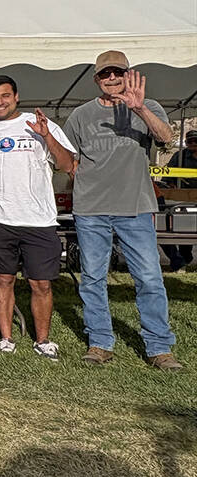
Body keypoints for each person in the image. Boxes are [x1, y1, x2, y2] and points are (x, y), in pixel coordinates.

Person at [62, 51, 181, 370]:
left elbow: (167, 141)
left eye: (118, 72)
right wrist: (81, 177)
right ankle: (100, 343)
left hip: (136, 207)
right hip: (91, 210)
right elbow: (68, 158)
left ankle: (159, 347)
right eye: (105, 74)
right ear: (96, 79)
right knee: (92, 278)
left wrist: (139, 108)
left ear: (129, 74)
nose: (112, 79)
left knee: (149, 277)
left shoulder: (149, 106)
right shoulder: (80, 115)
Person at [0, 75, 75, 361]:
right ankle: (6, 339)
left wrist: (47, 136)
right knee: (3, 280)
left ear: (16, 96)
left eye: (5, 96)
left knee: (40, 284)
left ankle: (43, 341)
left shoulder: (40, 124)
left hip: (38, 220)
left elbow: (67, 165)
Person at [161, 129, 196, 271]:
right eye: (190, 141)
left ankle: (183, 258)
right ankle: (182, 258)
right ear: (186, 143)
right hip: (183, 198)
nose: (193, 144)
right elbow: (168, 175)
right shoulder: (179, 156)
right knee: (184, 227)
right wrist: (171, 184)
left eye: (196, 141)